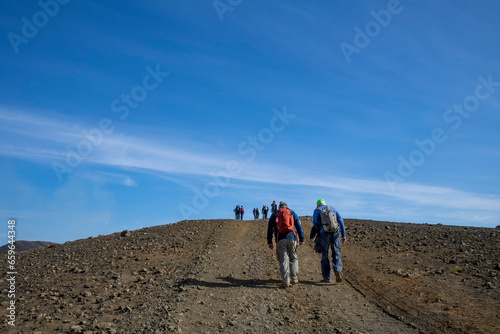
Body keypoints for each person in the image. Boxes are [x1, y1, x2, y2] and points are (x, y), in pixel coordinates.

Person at [267, 201, 305, 288]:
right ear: (287, 207)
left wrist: (269, 241)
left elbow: (270, 229)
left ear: (279, 207)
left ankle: (285, 281)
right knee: (293, 258)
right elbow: (299, 225)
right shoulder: (292, 213)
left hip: (280, 239)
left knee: (284, 260)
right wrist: (302, 238)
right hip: (292, 238)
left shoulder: (275, 214)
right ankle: (294, 278)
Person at [312, 199, 346, 283]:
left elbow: (315, 223)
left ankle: (327, 277)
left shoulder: (317, 210)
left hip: (324, 234)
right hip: (335, 233)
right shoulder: (333, 209)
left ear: (318, 205)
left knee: (325, 254)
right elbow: (341, 221)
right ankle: (337, 269)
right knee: (336, 252)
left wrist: (318, 231)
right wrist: (343, 235)